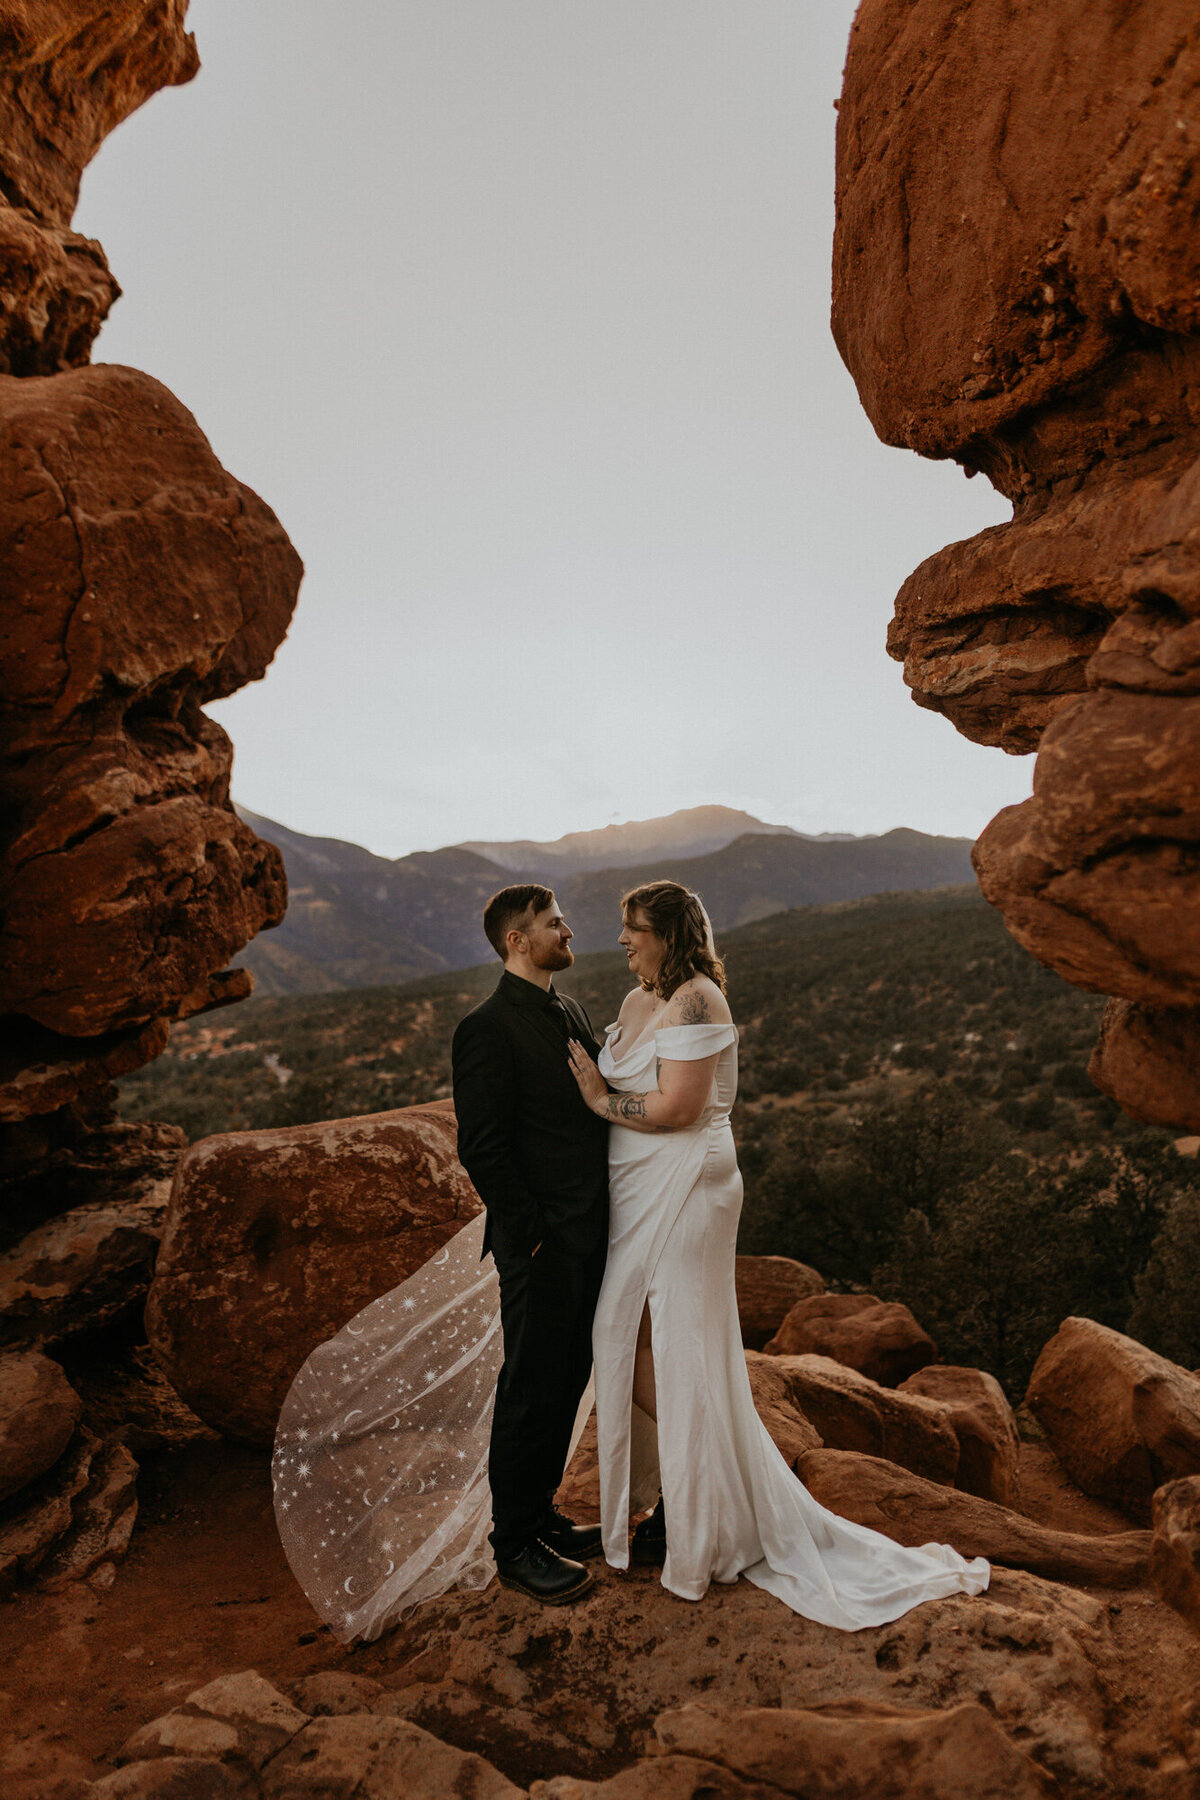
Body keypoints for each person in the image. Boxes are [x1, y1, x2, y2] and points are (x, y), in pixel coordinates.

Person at [565, 879, 990, 1626]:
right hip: (640, 1191)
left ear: (669, 933)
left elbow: (680, 1107)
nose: (623, 940)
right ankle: (691, 1491)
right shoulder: (638, 1000)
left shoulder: (699, 999)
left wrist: (602, 1102)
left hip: (690, 1189)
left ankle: (705, 1508)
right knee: (625, 1338)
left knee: (680, 1342)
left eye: (635, 928)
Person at [450, 884, 610, 1603]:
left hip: (590, 1231)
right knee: (528, 1388)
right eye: (553, 924)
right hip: (541, 1242)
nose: (567, 930)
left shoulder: (570, 1008)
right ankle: (512, 1544)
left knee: (568, 1376)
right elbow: (483, 1148)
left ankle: (540, 1513)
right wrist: (535, 1235)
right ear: (517, 940)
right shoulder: (485, 1029)